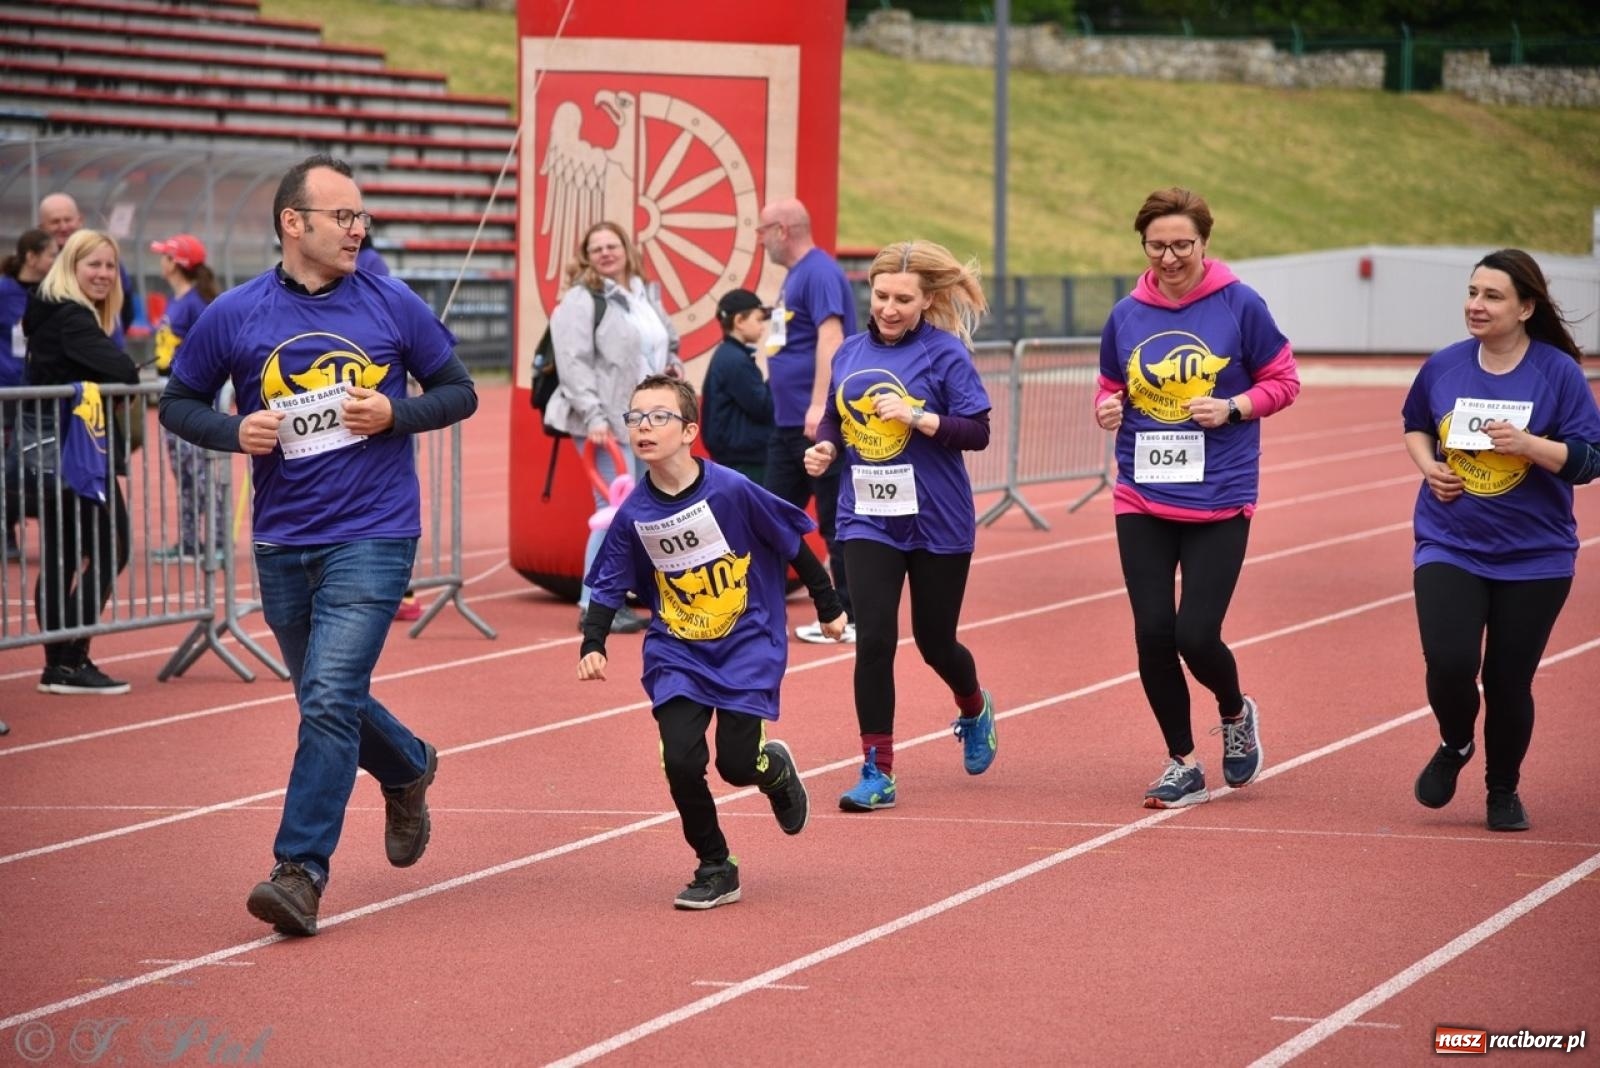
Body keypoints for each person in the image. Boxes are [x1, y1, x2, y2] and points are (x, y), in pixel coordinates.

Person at [159, 153, 478, 936]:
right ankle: (407, 767)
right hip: (281, 538)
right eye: (343, 216)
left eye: (362, 215)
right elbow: (178, 402)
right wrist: (235, 430)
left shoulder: (393, 301)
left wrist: (395, 415)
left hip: (374, 531)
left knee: (330, 696)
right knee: (323, 698)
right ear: (293, 223)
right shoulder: (234, 313)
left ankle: (299, 871)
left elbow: (459, 391)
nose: (358, 228)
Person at [580, 374, 845, 908]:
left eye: (659, 417)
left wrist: (829, 604)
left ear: (689, 431)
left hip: (745, 640)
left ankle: (773, 771)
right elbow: (608, 581)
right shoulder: (634, 513)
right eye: (635, 417)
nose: (644, 427)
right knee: (681, 761)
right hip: (677, 648)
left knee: (737, 765)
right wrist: (594, 642)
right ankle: (716, 865)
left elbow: (791, 541)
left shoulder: (730, 489)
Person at [1095, 187, 1301, 810]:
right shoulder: (1126, 313)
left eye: (1181, 244)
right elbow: (1110, 383)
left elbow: (1284, 380)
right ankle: (1182, 761)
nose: (1168, 257)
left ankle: (1235, 712)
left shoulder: (1240, 304)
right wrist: (1106, 407)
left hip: (1219, 495)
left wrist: (1234, 407)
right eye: (1156, 245)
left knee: (1196, 634)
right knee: (1153, 633)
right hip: (1142, 492)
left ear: (1204, 242)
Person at [1402, 249, 1600, 833]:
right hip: (1449, 542)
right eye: (1472, 292)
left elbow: (1590, 461)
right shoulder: (1444, 365)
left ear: (1525, 307)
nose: (1476, 305)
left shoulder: (1557, 373)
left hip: (1535, 556)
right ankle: (1456, 741)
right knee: (1449, 663)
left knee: (1509, 681)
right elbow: (1415, 425)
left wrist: (1529, 445)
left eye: (1492, 296)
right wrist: (1429, 468)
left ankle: (1502, 789)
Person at [802, 240, 999, 811]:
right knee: (875, 641)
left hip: (937, 518)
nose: (889, 308)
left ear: (926, 301)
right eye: (882, 295)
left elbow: (978, 431)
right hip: (867, 518)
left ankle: (973, 705)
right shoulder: (849, 352)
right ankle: (877, 770)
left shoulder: (945, 355)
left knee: (936, 643)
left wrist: (919, 417)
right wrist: (825, 448)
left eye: (903, 300)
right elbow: (835, 418)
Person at [543, 220, 682, 635]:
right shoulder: (582, 299)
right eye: (596, 248)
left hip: (643, 417)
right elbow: (573, 361)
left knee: (635, 511)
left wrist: (673, 367)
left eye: (612, 245)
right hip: (603, 422)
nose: (605, 253)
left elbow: (668, 342)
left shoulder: (643, 293)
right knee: (613, 512)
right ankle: (593, 605)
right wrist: (594, 416)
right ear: (586, 257)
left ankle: (615, 598)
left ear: (626, 249)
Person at [20, 229, 140, 694]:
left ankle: (59, 666)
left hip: (57, 451)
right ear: (71, 266)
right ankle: (70, 661)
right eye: (94, 264)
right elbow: (123, 370)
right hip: (78, 454)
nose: (104, 274)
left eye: (110, 266)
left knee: (63, 556)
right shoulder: (71, 317)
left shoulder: (51, 311)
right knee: (111, 549)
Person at [757, 198, 858, 643]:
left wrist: (819, 406)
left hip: (814, 424)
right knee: (771, 518)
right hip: (788, 426)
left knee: (836, 520)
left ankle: (848, 615)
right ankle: (756, 610)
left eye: (762, 231)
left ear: (782, 230)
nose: (759, 241)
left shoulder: (818, 273)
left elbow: (831, 336)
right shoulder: (797, 275)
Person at [148, 233, 224, 563]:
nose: (161, 261)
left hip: (194, 401)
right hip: (173, 397)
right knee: (186, 477)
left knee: (202, 475)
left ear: (176, 263)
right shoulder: (177, 298)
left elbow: (211, 349)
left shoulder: (196, 302)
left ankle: (218, 543)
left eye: (165, 256)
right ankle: (190, 541)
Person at [2, 228, 56, 559]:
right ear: (31, 257)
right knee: (7, 465)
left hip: (40, 391)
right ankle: (6, 530)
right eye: (50, 254)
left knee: (40, 462)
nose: (55, 260)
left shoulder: (51, 292)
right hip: (7, 392)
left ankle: (58, 533)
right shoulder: (4, 291)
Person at [38, 193, 137, 344]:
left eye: (68, 220)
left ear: (80, 220)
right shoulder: (36, 266)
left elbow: (125, 305)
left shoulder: (105, 256)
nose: (63, 227)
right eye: (55, 222)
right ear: (42, 227)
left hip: (106, 346)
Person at [699, 288, 775, 483]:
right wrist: (779, 372)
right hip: (744, 460)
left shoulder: (728, 355)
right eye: (758, 320)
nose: (762, 327)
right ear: (739, 321)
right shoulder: (735, 360)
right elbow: (763, 407)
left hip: (736, 457)